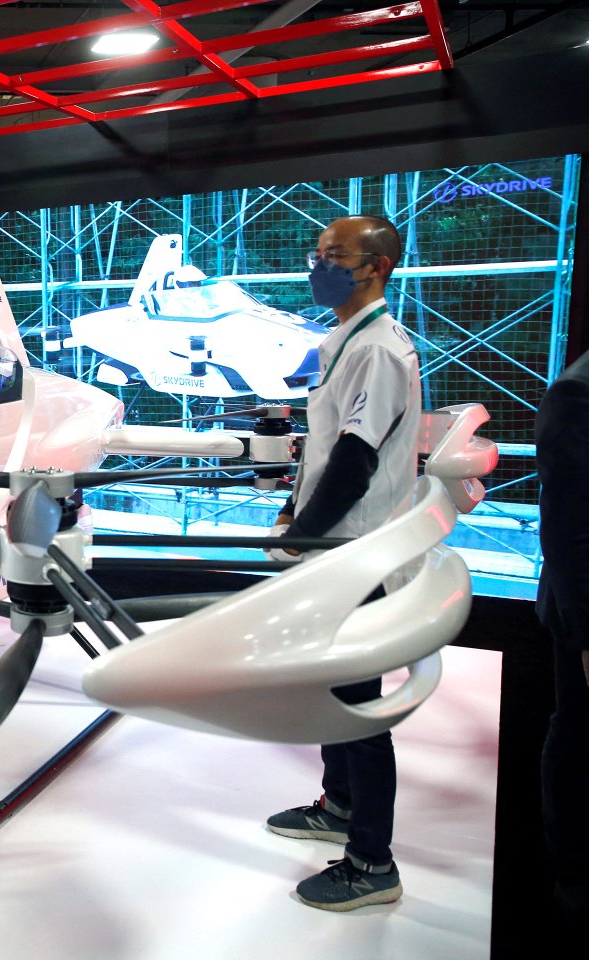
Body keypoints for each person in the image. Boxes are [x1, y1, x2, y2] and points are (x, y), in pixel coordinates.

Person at [260, 216, 421, 912]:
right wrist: (296, 517)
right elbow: (329, 450)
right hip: (336, 548)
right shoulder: (346, 341)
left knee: (359, 709)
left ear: (377, 266)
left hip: (358, 553)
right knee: (333, 685)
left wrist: (301, 537)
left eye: (335, 256)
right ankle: (340, 804)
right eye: (318, 253)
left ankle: (371, 862)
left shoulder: (380, 352)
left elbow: (354, 462)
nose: (318, 265)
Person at [536, 351, 589, 928]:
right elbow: (570, 534)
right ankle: (572, 883)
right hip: (583, 612)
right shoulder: (576, 395)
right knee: (577, 742)